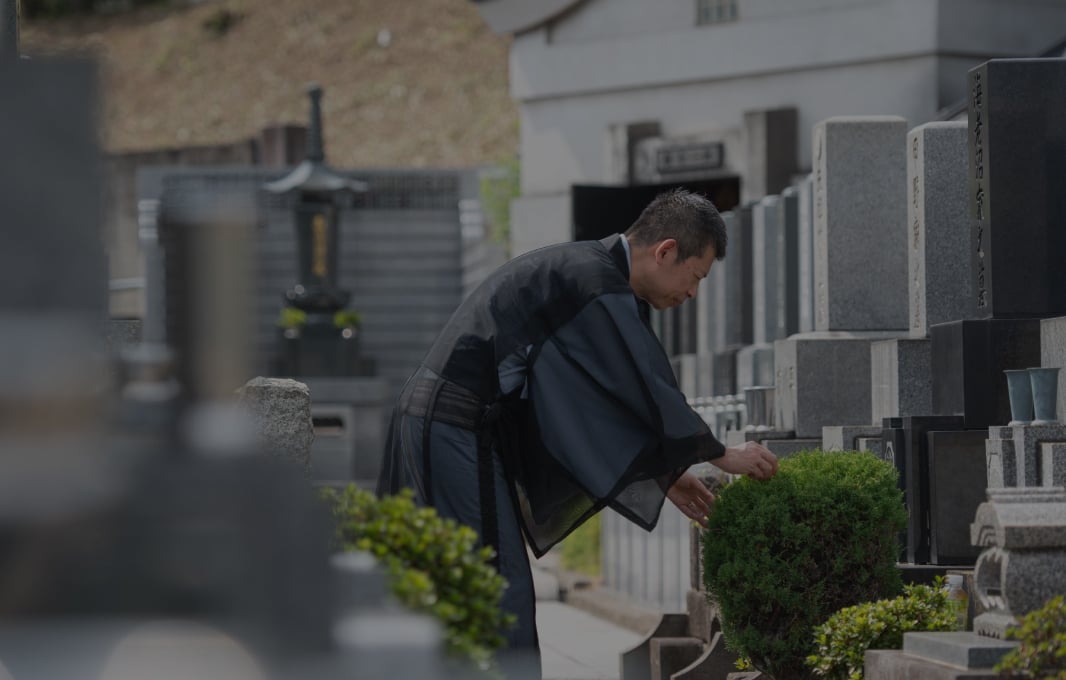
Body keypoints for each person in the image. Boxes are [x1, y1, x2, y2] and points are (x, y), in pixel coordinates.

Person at [376, 188, 778, 677]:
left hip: (440, 425)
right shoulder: (595, 280)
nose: (692, 293)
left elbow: (585, 397)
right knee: (497, 589)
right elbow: (641, 384)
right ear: (666, 250)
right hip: (453, 429)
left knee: (455, 591)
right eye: (694, 277)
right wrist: (720, 454)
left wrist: (667, 472)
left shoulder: (584, 271)